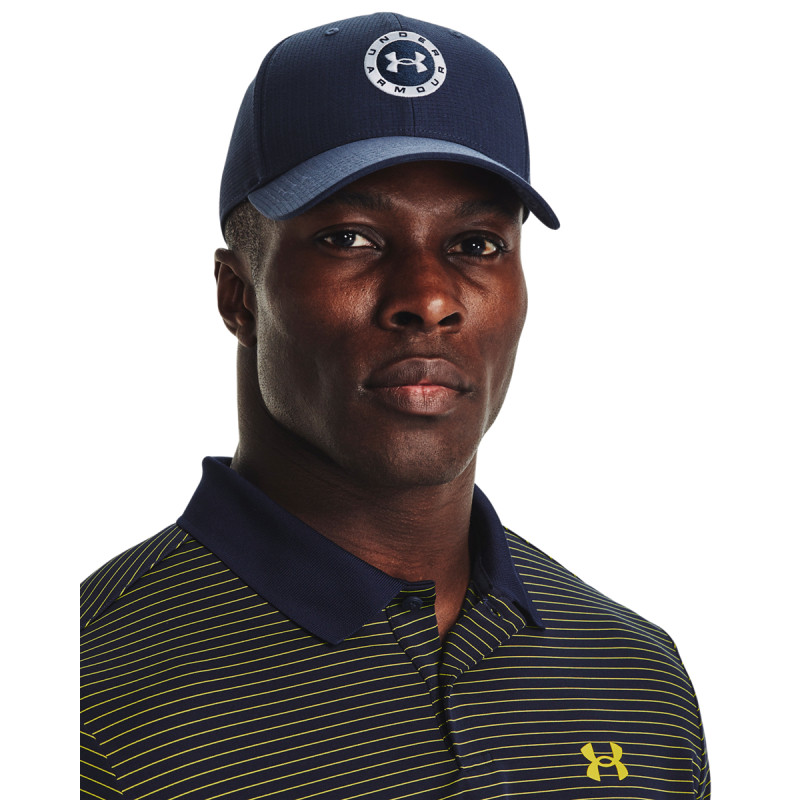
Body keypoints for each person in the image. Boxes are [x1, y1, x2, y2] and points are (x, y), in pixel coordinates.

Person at [80, 12, 710, 799]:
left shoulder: (637, 679)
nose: (430, 298)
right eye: (351, 238)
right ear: (239, 296)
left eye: (476, 244)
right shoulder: (83, 697)